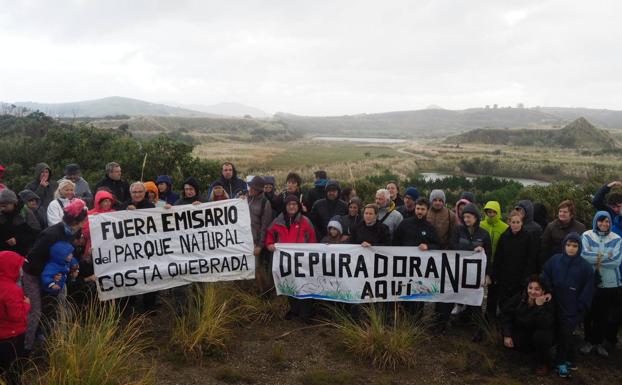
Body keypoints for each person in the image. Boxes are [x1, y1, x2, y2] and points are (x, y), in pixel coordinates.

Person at [22, 199, 87, 353]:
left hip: (54, 274)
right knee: (35, 310)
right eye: (84, 220)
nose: (85, 224)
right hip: (34, 274)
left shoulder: (71, 232)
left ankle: (47, 338)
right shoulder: (51, 234)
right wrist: (48, 277)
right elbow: (33, 257)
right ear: (77, 221)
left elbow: (65, 254)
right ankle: (25, 348)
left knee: (53, 306)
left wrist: (69, 267)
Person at [542, 232, 594, 378]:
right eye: (568, 245)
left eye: (575, 246)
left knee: (566, 334)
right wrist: (548, 291)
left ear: (580, 247)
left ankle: (561, 362)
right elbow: (545, 275)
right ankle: (570, 358)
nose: (571, 248)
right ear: (564, 245)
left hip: (572, 309)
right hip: (554, 305)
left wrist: (580, 307)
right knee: (557, 333)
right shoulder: (555, 260)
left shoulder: (585, 267)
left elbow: (588, 290)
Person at [265, 195, 316, 321]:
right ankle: (294, 310)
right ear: (285, 206)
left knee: (304, 285)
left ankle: (306, 313)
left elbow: (312, 240)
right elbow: (269, 235)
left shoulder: (305, 221)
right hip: (285, 261)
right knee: (290, 284)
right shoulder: (277, 221)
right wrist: (269, 245)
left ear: (298, 206)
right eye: (289, 204)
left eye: (294, 204)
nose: (292, 207)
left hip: (302, 261)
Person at [579, 211, 622, 357]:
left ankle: (598, 342)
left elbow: (616, 260)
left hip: (610, 283)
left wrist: (595, 256)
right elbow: (583, 255)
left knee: (603, 315)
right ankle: (588, 341)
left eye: (607, 222)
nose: (604, 224)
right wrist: (606, 256)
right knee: (589, 313)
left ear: (610, 222)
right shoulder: (586, 235)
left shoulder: (617, 238)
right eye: (601, 221)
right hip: (591, 281)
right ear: (595, 221)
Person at [450, 203, 492, 340]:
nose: (466, 219)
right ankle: (444, 323)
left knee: (476, 301)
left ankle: (480, 330)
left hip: (475, 274)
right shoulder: (458, 230)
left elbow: (489, 255)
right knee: (453, 296)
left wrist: (487, 274)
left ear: (476, 217)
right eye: (464, 217)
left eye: (469, 217)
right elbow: (453, 246)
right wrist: (471, 249)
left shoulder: (484, 234)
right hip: (458, 271)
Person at [500, 275, 555, 376]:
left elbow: (545, 324)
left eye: (537, 289)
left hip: (537, 336)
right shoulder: (521, 297)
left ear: (543, 291)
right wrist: (507, 335)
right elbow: (507, 314)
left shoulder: (548, 303)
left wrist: (539, 306)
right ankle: (524, 354)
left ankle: (543, 363)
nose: (532, 292)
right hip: (522, 331)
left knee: (541, 336)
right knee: (506, 334)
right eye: (530, 288)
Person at [492, 210, 538, 314]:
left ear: (522, 223)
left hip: (521, 276)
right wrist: (496, 274)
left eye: (518, 222)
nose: (516, 225)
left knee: (518, 302)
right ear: (509, 222)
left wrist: (527, 276)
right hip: (505, 276)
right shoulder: (504, 237)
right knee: (504, 302)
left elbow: (531, 258)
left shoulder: (528, 237)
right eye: (513, 222)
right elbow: (498, 257)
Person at [0, 251, 30, 385]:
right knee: (14, 368)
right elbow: (16, 315)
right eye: (18, 267)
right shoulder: (12, 290)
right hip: (13, 336)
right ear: (10, 268)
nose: (21, 270)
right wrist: (26, 305)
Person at [40, 241, 78, 334]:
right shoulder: (52, 266)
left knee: (59, 307)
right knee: (49, 311)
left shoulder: (64, 261)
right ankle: (45, 332)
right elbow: (45, 276)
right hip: (50, 293)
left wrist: (76, 268)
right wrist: (52, 284)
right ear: (61, 256)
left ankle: (59, 328)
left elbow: (74, 261)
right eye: (69, 254)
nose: (71, 255)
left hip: (60, 289)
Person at [539, 200, 586, 270]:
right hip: (555, 263)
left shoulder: (580, 227)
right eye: (560, 211)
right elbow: (544, 248)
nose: (561, 214)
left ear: (571, 214)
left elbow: (583, 247)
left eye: (565, 212)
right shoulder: (551, 226)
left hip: (574, 264)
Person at [246, 177, 273, 292]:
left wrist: (260, 245)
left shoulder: (265, 203)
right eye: (250, 186)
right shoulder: (245, 198)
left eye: (253, 188)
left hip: (255, 242)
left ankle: (263, 293)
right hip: (244, 240)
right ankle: (248, 291)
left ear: (259, 190)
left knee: (257, 268)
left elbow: (265, 226)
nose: (250, 189)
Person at [0, 189, 39, 256]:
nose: (2, 208)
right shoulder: (1, 213)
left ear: (13, 203)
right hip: (4, 252)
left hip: (23, 251)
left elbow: (36, 231)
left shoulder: (24, 212)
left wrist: (17, 239)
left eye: (4, 205)